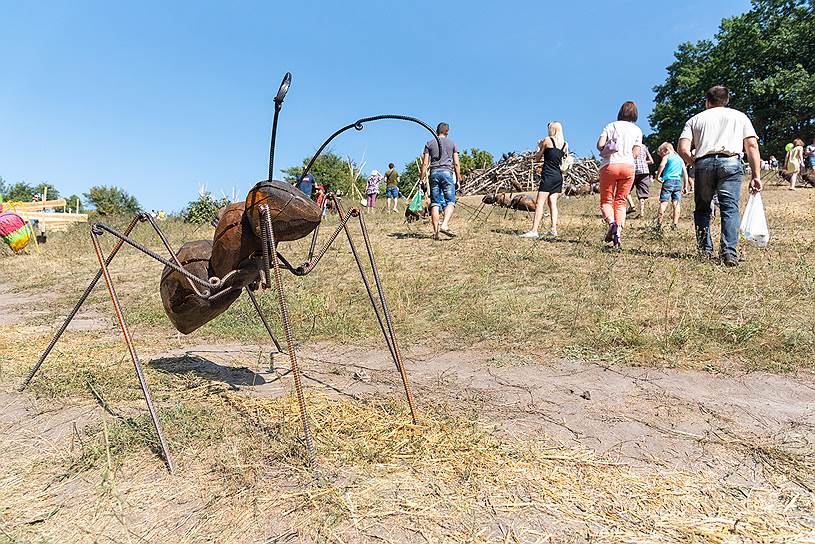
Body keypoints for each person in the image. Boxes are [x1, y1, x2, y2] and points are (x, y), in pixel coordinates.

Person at [678, 85, 762, 267]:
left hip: (703, 163)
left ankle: (705, 251)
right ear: (727, 101)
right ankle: (729, 253)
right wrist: (756, 175)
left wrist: (695, 163)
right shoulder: (740, 117)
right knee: (730, 209)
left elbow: (683, 149)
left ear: (707, 102)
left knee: (702, 209)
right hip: (731, 163)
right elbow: (752, 146)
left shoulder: (695, 119)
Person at [595, 101, 642, 249]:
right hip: (628, 167)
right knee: (621, 202)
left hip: (610, 165)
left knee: (606, 201)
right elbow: (636, 152)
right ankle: (618, 236)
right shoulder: (637, 130)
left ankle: (612, 223)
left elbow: (600, 145)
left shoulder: (611, 126)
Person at [520, 122, 569, 238]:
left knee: (539, 203)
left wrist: (539, 146)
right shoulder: (565, 144)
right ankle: (553, 229)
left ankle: (534, 230)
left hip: (548, 175)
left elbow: (537, 158)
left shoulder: (547, 140)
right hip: (558, 176)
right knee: (552, 202)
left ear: (552, 129)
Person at [420, 122, 462, 239]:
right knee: (450, 201)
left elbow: (425, 163)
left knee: (435, 203)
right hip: (447, 173)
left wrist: (421, 179)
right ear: (447, 131)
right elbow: (456, 163)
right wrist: (458, 179)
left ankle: (436, 233)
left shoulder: (429, 143)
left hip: (433, 173)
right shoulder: (452, 143)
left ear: (437, 131)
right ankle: (444, 224)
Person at [654, 143, 688, 230]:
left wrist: (657, 176)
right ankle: (674, 224)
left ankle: (659, 224)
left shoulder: (667, 157)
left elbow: (662, 165)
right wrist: (685, 186)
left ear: (666, 150)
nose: (662, 156)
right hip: (678, 182)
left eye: (661, 154)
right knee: (676, 203)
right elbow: (685, 173)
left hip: (668, 181)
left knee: (664, 202)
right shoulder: (680, 159)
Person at [628, 143, 654, 219]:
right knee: (642, 193)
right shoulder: (644, 146)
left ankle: (631, 205)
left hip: (632, 170)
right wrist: (643, 162)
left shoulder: (629, 145)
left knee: (626, 189)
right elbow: (651, 161)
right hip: (644, 171)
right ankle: (642, 213)